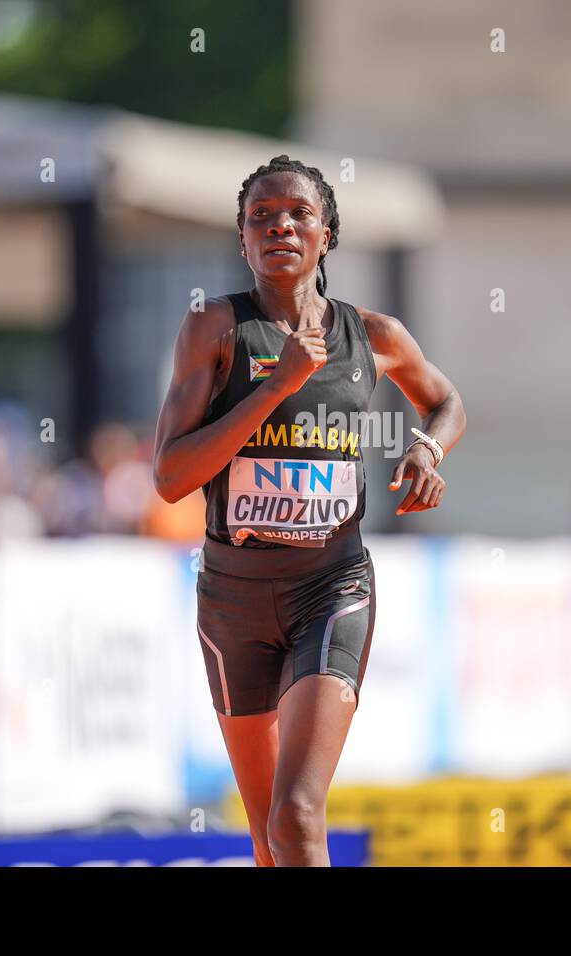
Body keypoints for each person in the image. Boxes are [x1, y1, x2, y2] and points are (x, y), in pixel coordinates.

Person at [153, 156, 466, 866]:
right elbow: (172, 477)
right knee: (267, 835)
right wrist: (275, 387)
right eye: (261, 216)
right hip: (232, 599)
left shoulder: (373, 337)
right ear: (241, 238)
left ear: (327, 234)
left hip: (331, 587)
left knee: (297, 816)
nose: (280, 226)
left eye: (298, 213)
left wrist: (426, 450)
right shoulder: (215, 328)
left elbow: (447, 403)